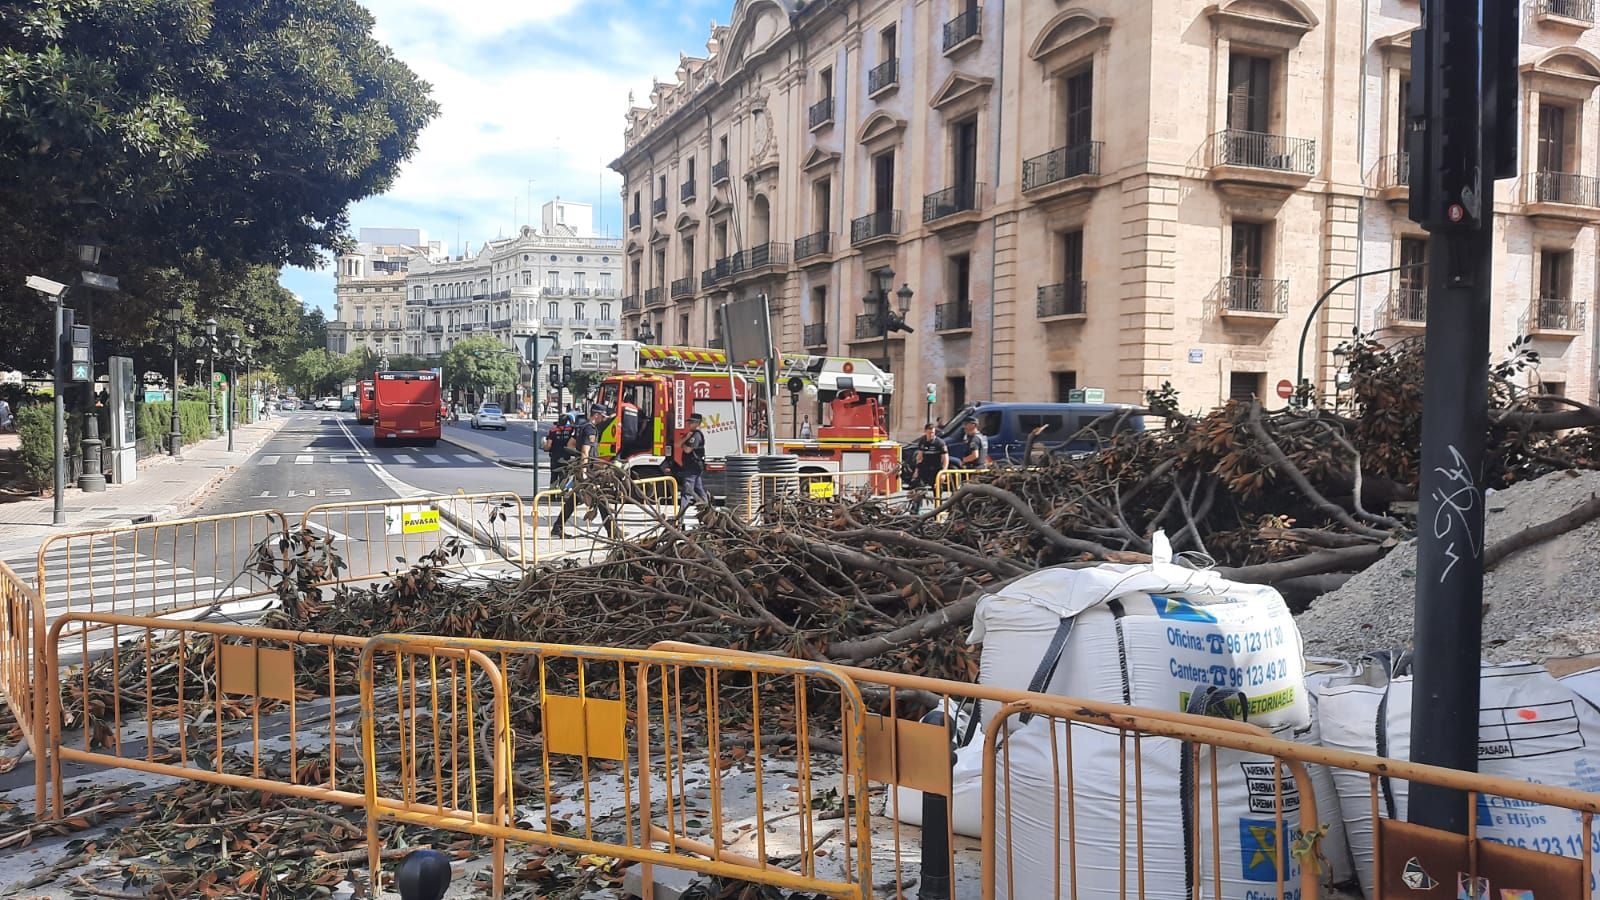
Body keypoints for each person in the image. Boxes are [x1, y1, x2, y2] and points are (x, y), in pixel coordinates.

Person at [908, 422, 948, 511]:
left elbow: (945, 458)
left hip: (936, 470)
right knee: (919, 488)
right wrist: (916, 470)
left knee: (937, 491)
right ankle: (915, 510)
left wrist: (943, 473)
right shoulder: (922, 441)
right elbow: (920, 456)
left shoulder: (940, 443)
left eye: (933, 433)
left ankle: (937, 512)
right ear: (925, 432)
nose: (931, 435)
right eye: (929, 433)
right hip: (924, 469)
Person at [676, 412, 711, 510]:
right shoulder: (690, 435)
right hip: (692, 467)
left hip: (692, 467)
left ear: (697, 423)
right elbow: (677, 444)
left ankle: (680, 519)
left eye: (691, 422)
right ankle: (708, 511)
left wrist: (684, 443)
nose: (689, 424)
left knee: (686, 493)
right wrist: (686, 438)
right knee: (699, 490)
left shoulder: (696, 436)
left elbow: (687, 450)